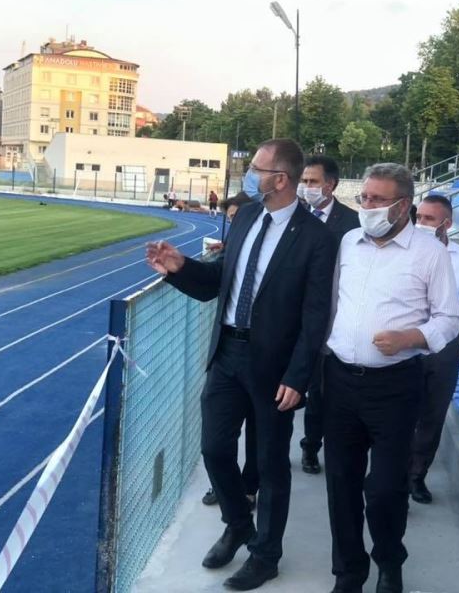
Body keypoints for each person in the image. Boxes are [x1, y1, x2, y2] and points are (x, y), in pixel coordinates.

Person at [146, 138, 336, 591]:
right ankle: (237, 524)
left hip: (275, 368)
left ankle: (265, 556)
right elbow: (220, 281)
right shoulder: (246, 217)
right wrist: (180, 267)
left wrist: (298, 376)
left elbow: (316, 316)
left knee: (270, 465)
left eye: (256, 169)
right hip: (227, 354)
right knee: (214, 448)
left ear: (280, 179)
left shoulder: (317, 238)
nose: (248, 174)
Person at [323, 163, 459, 593]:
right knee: (341, 484)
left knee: (384, 489)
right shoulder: (349, 243)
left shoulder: (430, 252)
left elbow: (449, 318)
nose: (368, 206)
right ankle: (349, 573)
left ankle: (388, 560)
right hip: (340, 380)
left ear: (403, 206)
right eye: (364, 197)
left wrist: (410, 337)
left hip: (395, 386)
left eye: (378, 200)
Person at [408, 195, 459, 505]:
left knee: (433, 415)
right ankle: (393, 474)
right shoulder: (405, 251)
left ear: (447, 223)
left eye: (429, 219)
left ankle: (417, 476)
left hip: (444, 348)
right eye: (419, 217)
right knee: (400, 412)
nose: (421, 223)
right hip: (408, 342)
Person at [296, 155, 359, 475]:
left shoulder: (352, 223)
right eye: (303, 181)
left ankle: (311, 446)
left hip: (329, 320)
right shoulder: (292, 215)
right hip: (291, 318)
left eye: (312, 181)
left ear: (330, 185)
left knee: (319, 392)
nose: (306, 187)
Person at [202, 191, 259, 509]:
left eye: (236, 218)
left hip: (265, 352)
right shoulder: (235, 243)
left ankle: (249, 488)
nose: (232, 224)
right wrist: (178, 267)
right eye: (230, 219)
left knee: (258, 432)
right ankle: (227, 488)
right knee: (218, 439)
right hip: (227, 348)